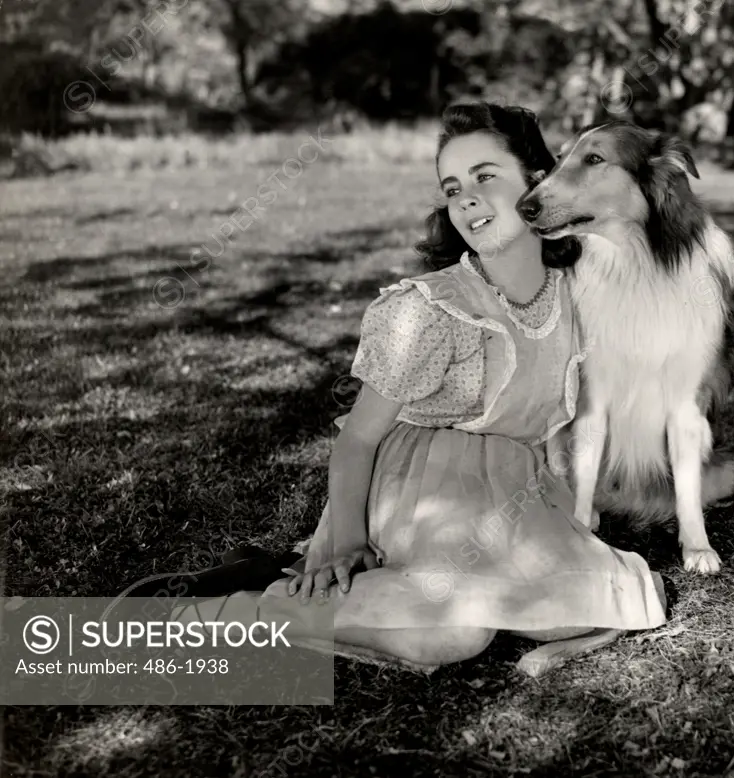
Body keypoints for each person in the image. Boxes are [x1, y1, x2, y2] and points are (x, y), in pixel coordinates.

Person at [131, 102, 669, 675]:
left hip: (517, 490)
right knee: (453, 632)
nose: (466, 198)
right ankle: (227, 610)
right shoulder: (435, 309)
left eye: (486, 176)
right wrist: (342, 540)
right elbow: (358, 438)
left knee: (579, 608)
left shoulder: (577, 292)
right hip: (425, 486)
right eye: (453, 186)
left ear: (540, 182)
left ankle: (387, 591)